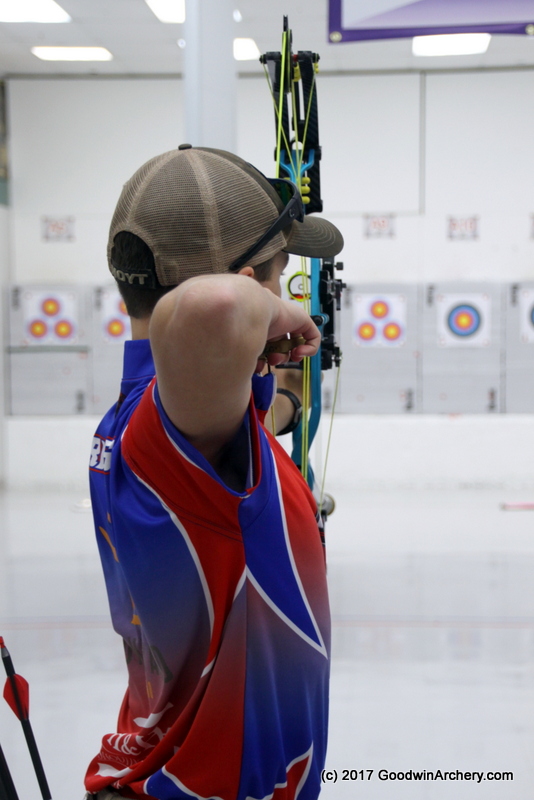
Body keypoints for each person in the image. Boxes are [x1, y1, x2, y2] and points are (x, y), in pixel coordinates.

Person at [85, 144, 343, 800]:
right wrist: (278, 313)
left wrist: (289, 405)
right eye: (278, 278)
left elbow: (246, 419)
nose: (280, 296)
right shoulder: (165, 432)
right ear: (249, 281)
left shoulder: (161, 422)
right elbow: (214, 309)